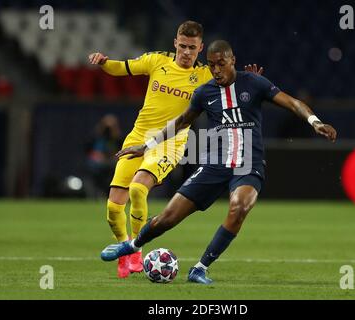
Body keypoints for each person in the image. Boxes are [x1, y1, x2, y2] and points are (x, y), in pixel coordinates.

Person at [99, 40, 337, 284]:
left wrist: (315, 122)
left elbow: (293, 103)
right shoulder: (204, 92)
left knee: (239, 207)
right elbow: (180, 122)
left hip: (248, 164)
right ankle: (132, 246)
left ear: (232, 60)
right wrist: (146, 146)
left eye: (221, 64)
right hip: (215, 163)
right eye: (212, 65)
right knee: (170, 216)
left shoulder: (253, 83)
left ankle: (200, 268)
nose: (216, 70)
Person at [88, 21, 263, 278]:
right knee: (114, 207)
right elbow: (123, 68)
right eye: (182, 46)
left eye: (192, 48)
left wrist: (252, 81)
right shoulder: (156, 61)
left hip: (171, 142)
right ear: (175, 43)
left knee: (138, 188)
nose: (186, 52)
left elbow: (233, 81)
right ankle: (130, 254)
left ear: (200, 48)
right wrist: (103, 62)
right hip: (138, 136)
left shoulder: (205, 74)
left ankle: (134, 245)